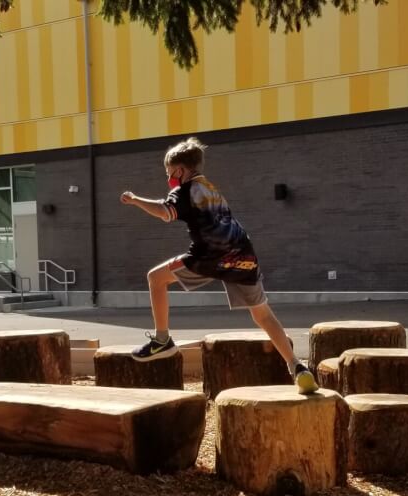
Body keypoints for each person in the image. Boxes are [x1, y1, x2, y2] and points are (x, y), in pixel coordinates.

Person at [120, 137, 318, 394]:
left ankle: (162, 340)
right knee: (263, 315)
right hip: (242, 254)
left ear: (180, 170)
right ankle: (297, 367)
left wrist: (135, 199)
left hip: (209, 256)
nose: (169, 178)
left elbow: (164, 212)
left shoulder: (184, 190)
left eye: (169, 173)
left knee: (155, 278)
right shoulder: (211, 188)